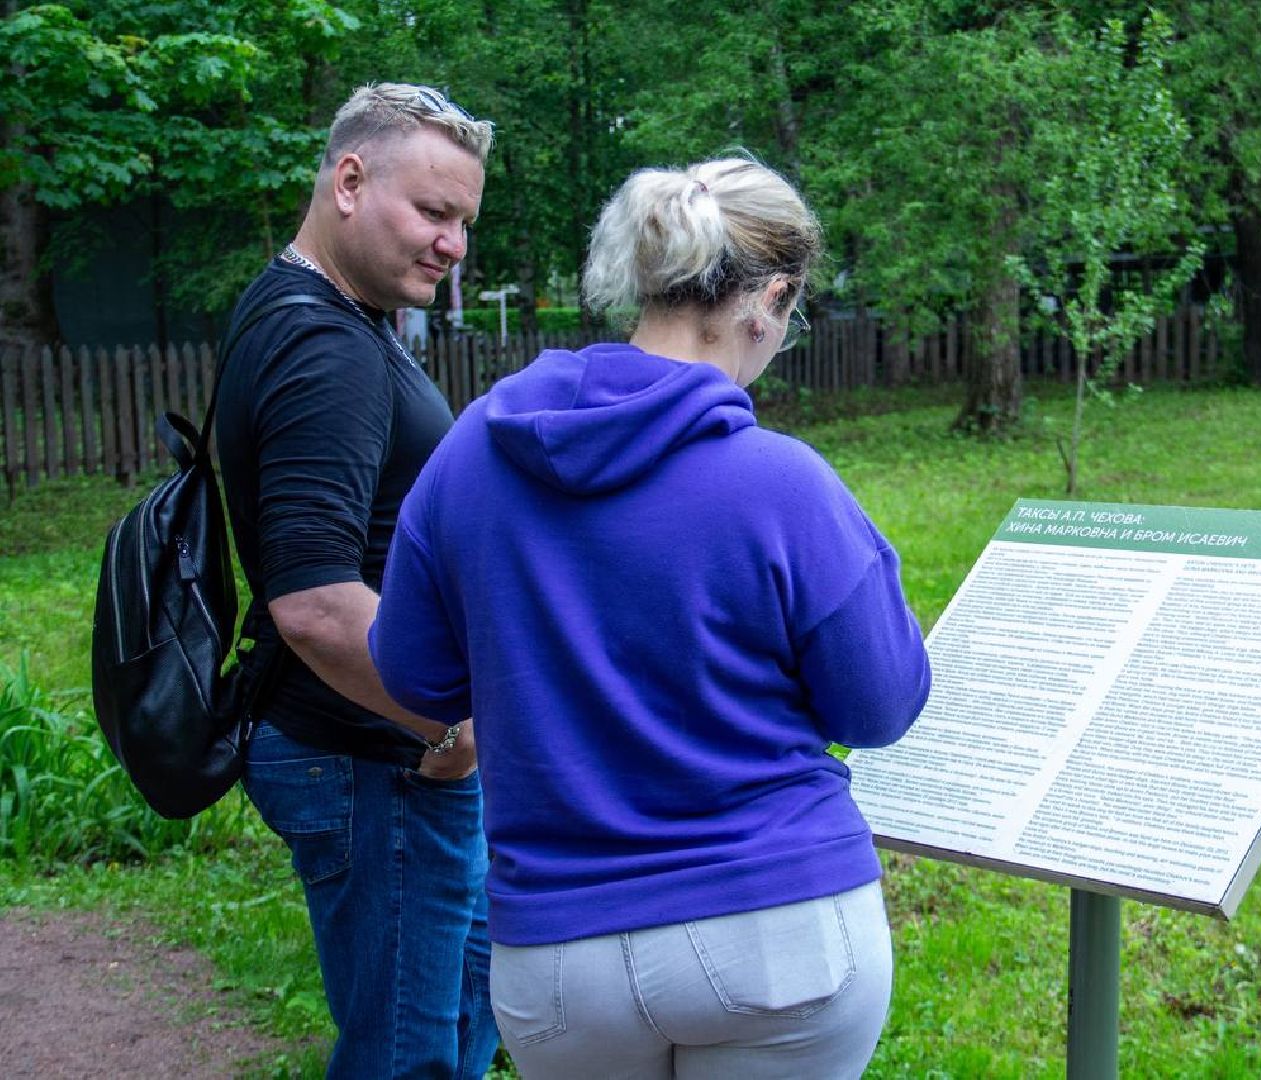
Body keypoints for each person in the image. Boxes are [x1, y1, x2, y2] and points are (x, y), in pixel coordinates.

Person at [369, 157, 933, 1078]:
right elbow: (878, 708)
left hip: (556, 951)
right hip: (777, 923)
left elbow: (413, 674)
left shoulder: (474, 452)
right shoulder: (784, 485)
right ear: (768, 299)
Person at [214, 83, 500, 1079]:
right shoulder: (322, 345)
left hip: (393, 756)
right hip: (375, 760)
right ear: (348, 180)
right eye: (432, 212)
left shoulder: (335, 316)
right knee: (403, 1057)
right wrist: (448, 731)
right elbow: (315, 601)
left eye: (462, 220)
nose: (453, 244)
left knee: (459, 1024)